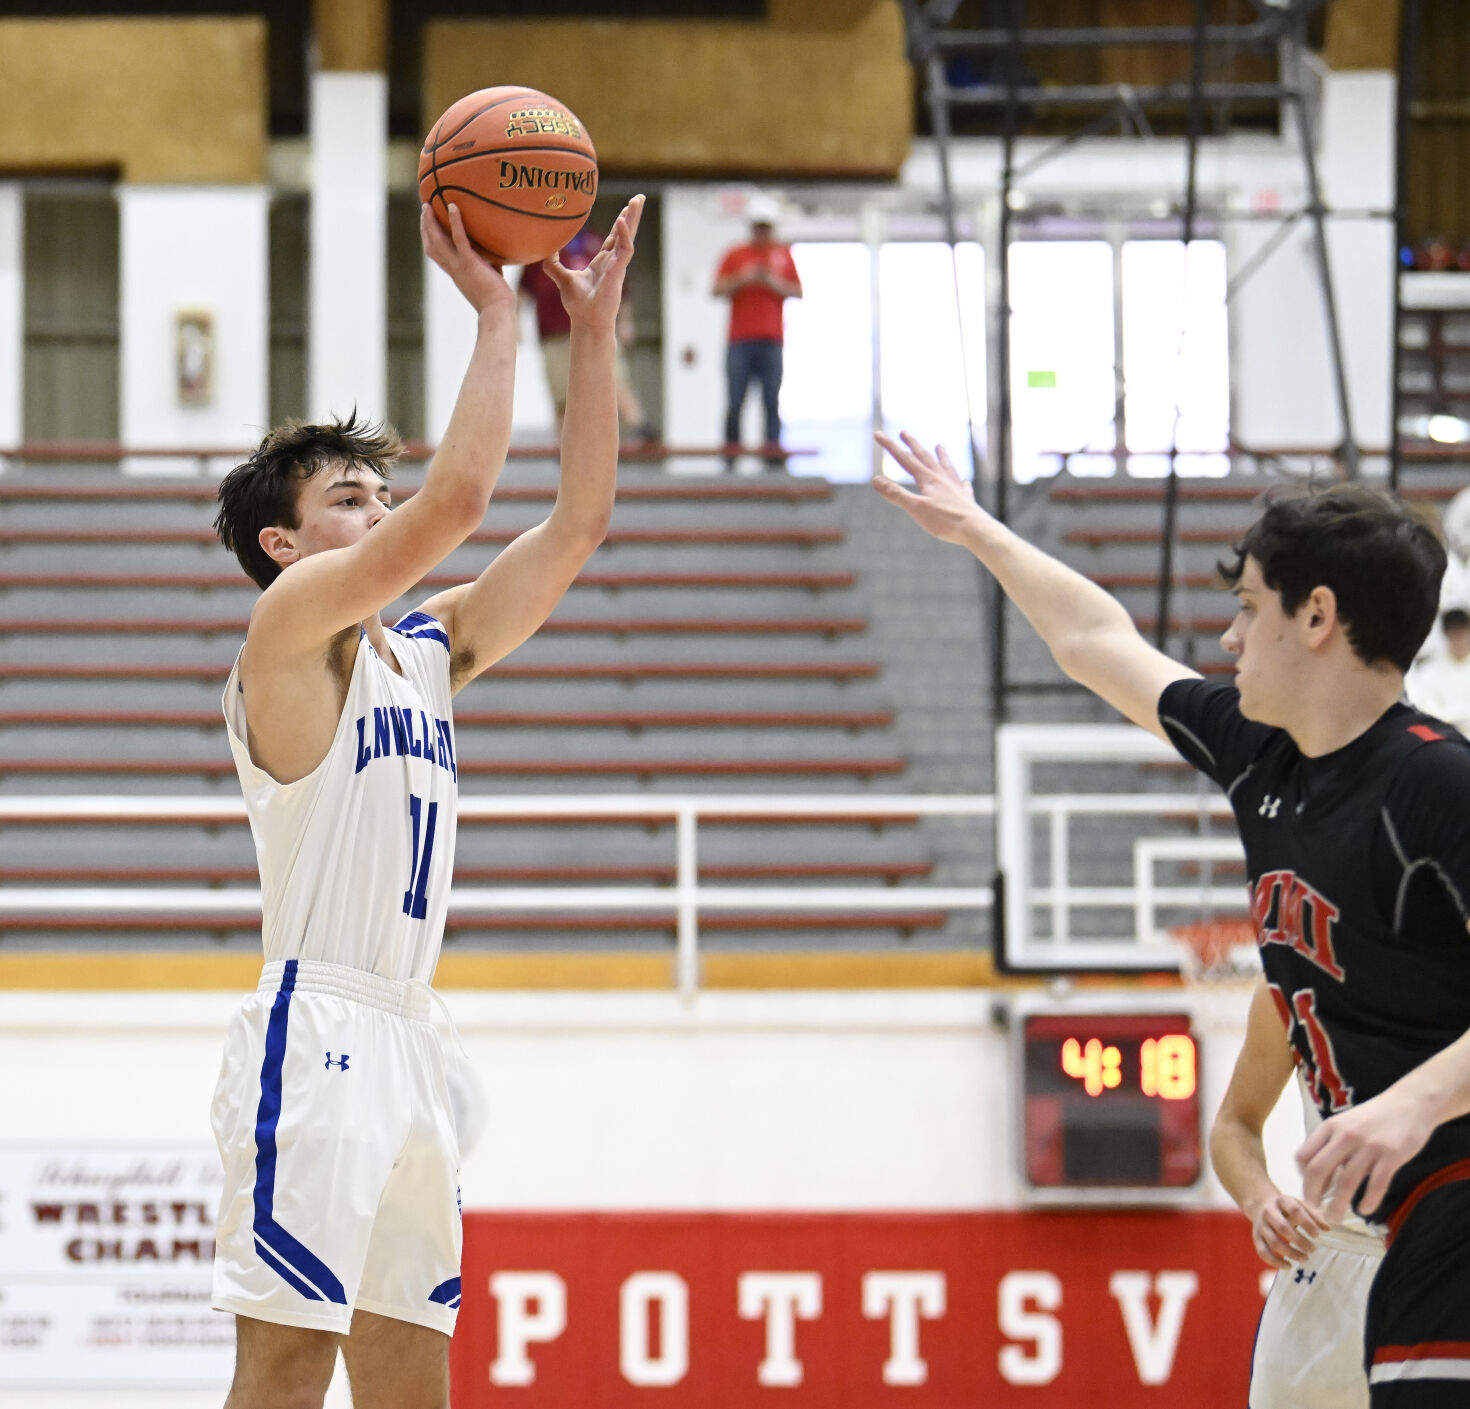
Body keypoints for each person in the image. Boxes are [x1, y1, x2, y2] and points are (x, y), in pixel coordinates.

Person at [872, 431, 1470, 1406]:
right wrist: (979, 529)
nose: (1229, 639)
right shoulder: (1261, 759)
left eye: (1248, 607)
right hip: (1379, 1219)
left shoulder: (1436, 778)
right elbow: (1097, 643)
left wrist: (1410, 1101)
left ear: (1317, 615)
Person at [208, 192, 644, 1409]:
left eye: (375, 495)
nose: (379, 511)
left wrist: (590, 333)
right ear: (284, 547)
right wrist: (498, 313)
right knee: (287, 1363)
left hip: (412, 1030)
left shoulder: (425, 647)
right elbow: (458, 504)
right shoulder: (285, 629)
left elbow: (578, 522)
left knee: (411, 1378)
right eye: (348, 497)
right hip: (317, 1021)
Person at [1212, 979, 1383, 1409]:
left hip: (1444, 1261)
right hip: (1329, 1259)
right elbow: (1234, 1124)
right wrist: (1261, 1200)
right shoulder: (1292, 975)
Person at [518, 225, 650, 441]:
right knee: (562, 395)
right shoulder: (543, 248)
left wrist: (625, 323)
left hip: (597, 329)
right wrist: (515, 323)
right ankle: (563, 448)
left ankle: (641, 435)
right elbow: (523, 290)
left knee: (615, 383)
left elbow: (620, 287)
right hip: (556, 335)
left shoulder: (596, 243)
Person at [712, 195, 802, 467]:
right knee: (735, 401)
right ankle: (730, 459)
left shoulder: (783, 255)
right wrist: (745, 278)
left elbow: (797, 291)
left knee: (771, 401)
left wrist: (771, 282)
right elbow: (717, 289)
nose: (762, 233)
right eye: (758, 227)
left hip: (772, 340)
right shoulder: (735, 255)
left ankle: (773, 460)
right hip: (739, 340)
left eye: (766, 227)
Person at [1407, 608, 1470, 734]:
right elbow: (1426, 709)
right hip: (1447, 738)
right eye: (1454, 634)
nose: (1459, 640)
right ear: (1446, 634)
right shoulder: (1430, 671)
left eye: (1462, 633)